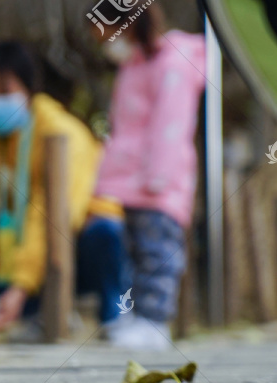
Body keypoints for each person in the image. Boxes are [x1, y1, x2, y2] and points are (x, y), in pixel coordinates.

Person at [0, 41, 126, 339]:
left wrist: (20, 285)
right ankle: (35, 316)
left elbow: (53, 217)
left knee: (106, 231)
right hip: (29, 239)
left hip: (76, 238)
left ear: (21, 86)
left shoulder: (62, 133)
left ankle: (115, 320)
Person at [89, 5, 205, 349]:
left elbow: (171, 123)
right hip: (132, 182)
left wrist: (160, 176)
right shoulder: (134, 65)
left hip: (159, 182)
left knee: (159, 252)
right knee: (136, 252)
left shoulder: (173, 63)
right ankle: (139, 317)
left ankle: (155, 322)